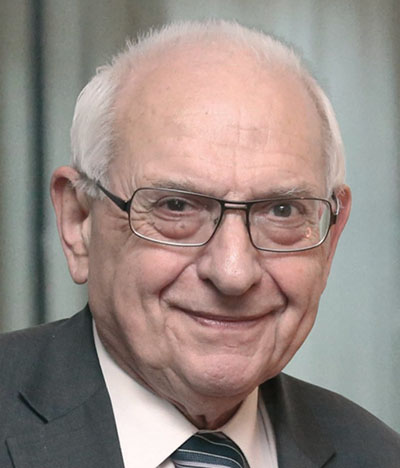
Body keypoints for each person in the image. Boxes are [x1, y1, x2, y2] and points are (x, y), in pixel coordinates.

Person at [1, 20, 399, 468]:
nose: (233, 272)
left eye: (281, 211)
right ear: (79, 221)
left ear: (330, 241)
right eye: (176, 206)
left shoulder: (378, 455)